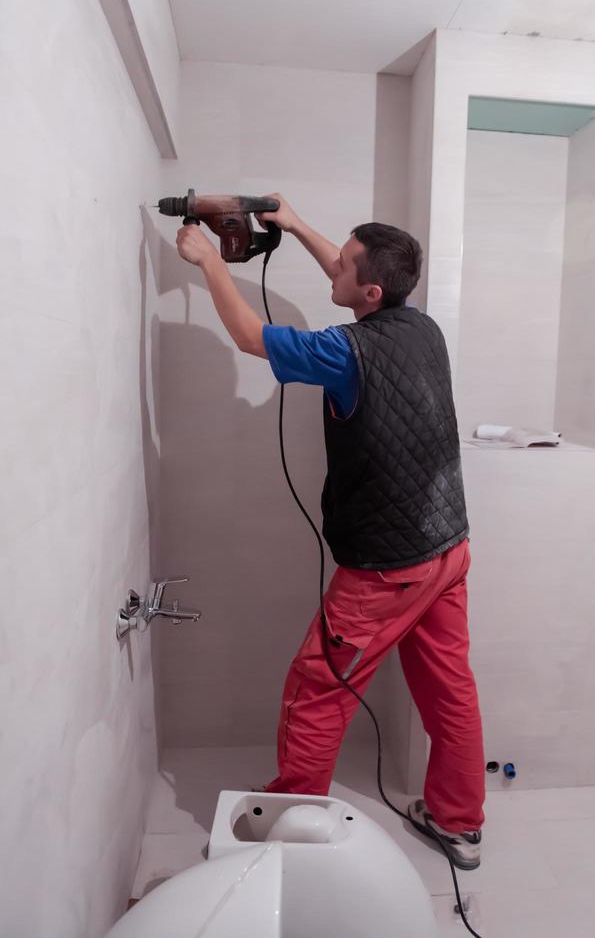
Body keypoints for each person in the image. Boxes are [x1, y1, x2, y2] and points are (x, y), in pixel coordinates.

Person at [175, 195, 485, 871]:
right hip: (448, 548)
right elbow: (351, 275)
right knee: (449, 687)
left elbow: (252, 339)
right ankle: (460, 823)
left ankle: (289, 829)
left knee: (316, 688)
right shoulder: (421, 326)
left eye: (342, 265)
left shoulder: (343, 353)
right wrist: (294, 225)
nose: (332, 271)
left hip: (388, 567)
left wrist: (208, 263)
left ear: (369, 291)